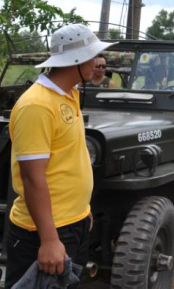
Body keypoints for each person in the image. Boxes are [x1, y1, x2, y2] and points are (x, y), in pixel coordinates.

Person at [6, 24, 116, 288]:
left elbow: (66, 160)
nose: (97, 63)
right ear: (75, 60)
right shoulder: (37, 105)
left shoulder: (69, 94)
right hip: (42, 231)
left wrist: (81, 210)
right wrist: (49, 240)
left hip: (72, 223)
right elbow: (33, 178)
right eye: (92, 57)